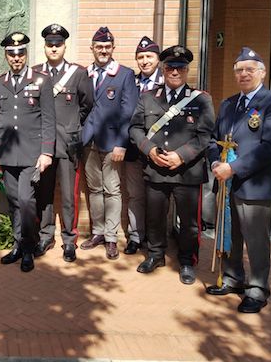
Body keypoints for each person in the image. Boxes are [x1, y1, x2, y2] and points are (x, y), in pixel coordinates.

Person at [206, 47, 271, 313]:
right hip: (226, 182)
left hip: (254, 185)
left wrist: (233, 168)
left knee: (256, 240)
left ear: (262, 73)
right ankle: (233, 278)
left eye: (250, 69)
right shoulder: (229, 104)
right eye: (239, 70)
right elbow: (214, 139)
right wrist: (215, 163)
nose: (244, 74)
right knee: (230, 233)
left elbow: (270, 147)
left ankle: (257, 289)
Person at [129, 45, 215, 285]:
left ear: (187, 70)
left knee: (189, 222)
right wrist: (149, 150)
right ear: (163, 69)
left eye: (180, 68)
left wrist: (181, 156)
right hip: (156, 168)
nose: (175, 72)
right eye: (170, 68)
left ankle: (187, 261)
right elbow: (135, 128)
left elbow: (205, 135)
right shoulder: (148, 97)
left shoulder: (201, 99)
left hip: (188, 171)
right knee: (155, 217)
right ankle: (156, 255)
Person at [0, 32, 56, 272]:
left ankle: (28, 247)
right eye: (11, 54)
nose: (16, 58)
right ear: (6, 56)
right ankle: (17, 244)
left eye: (20, 53)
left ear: (26, 54)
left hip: (32, 154)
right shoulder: (0, 82)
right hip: (8, 154)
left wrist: (47, 152)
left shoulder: (41, 80)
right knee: (14, 201)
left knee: (27, 201)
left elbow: (48, 119)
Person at [32, 23, 93, 262]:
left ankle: (69, 240)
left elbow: (87, 106)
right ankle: (45, 236)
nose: (54, 48)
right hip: (43, 147)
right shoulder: (35, 73)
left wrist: (74, 130)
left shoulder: (78, 73)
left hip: (68, 146)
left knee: (69, 196)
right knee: (44, 194)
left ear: (65, 46)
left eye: (58, 44)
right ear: (45, 47)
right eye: (50, 44)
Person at [80, 27, 138, 260]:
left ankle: (111, 237)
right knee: (94, 189)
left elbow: (128, 113)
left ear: (113, 48)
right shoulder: (85, 73)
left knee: (112, 189)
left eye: (107, 47)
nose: (103, 50)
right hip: (89, 141)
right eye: (99, 47)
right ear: (92, 48)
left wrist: (122, 143)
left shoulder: (125, 74)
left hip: (113, 142)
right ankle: (98, 232)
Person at [122, 36, 164, 255]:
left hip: (159, 149)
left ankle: (157, 238)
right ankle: (135, 236)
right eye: (141, 57)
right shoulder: (131, 82)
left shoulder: (167, 81)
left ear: (158, 58)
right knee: (135, 194)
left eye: (149, 56)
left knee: (158, 197)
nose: (145, 61)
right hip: (134, 148)